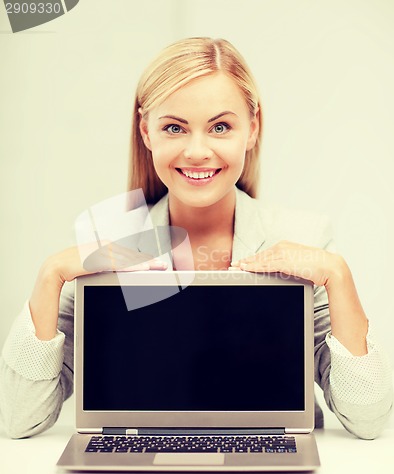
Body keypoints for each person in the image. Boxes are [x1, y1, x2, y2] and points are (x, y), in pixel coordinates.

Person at [0, 37, 392, 440]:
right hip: (135, 472)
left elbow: (367, 419)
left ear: (252, 130)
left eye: (220, 127)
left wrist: (338, 275)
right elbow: (21, 418)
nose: (197, 151)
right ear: (146, 132)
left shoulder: (300, 238)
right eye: (174, 127)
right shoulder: (110, 240)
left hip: (268, 464)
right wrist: (50, 275)